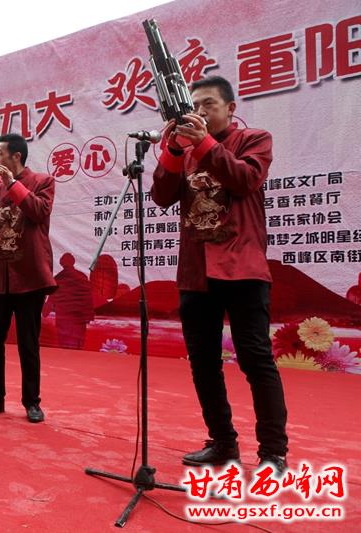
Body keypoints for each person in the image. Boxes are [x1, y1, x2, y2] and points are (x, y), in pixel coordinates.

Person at [150, 75, 288, 472]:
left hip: (242, 267)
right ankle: (223, 442)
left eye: (208, 104)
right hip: (196, 272)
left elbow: (245, 180)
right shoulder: (186, 150)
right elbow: (161, 196)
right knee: (203, 362)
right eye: (194, 105)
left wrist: (202, 143)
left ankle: (273, 452)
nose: (199, 111)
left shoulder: (254, 139)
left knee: (256, 359)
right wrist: (173, 150)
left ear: (230, 108)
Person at [0, 133, 56, 423]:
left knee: (28, 343)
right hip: (0, 276)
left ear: (16, 156)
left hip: (29, 276)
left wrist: (12, 184)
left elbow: (38, 211)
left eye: (0, 153)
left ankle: (32, 402)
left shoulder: (42, 181)